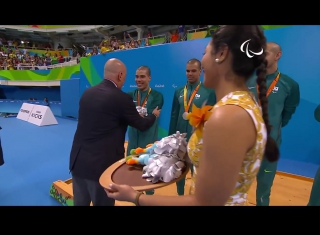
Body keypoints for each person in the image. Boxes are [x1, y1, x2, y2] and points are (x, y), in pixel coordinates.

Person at [104, 25, 280, 206]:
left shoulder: (228, 116)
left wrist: (135, 197)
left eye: (205, 52)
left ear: (222, 54)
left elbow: (203, 202)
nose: (202, 61)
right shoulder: (239, 105)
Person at [69, 58, 161, 206]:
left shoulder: (88, 93)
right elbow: (141, 125)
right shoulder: (122, 98)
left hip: (78, 163)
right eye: (125, 77)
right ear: (120, 75)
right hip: (101, 168)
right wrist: (153, 116)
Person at [247, 42, 300, 206]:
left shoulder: (289, 84)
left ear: (278, 55)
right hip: (243, 144)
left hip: (270, 145)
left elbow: (288, 112)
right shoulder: (245, 80)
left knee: (264, 188)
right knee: (234, 186)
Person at [168, 58, 216, 196]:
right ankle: (180, 197)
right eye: (187, 71)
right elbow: (174, 116)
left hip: (199, 141)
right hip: (180, 140)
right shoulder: (178, 91)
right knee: (178, 171)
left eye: (193, 71)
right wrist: (171, 138)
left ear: (200, 71)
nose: (190, 73)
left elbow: (213, 117)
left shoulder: (209, 92)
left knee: (198, 174)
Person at [127, 65, 164, 196]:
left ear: (149, 78)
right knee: (131, 176)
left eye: (142, 76)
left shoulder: (157, 96)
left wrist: (135, 116)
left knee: (149, 179)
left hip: (148, 144)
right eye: (137, 76)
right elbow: (133, 116)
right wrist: (141, 116)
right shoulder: (129, 95)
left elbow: (147, 121)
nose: (139, 79)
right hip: (132, 143)